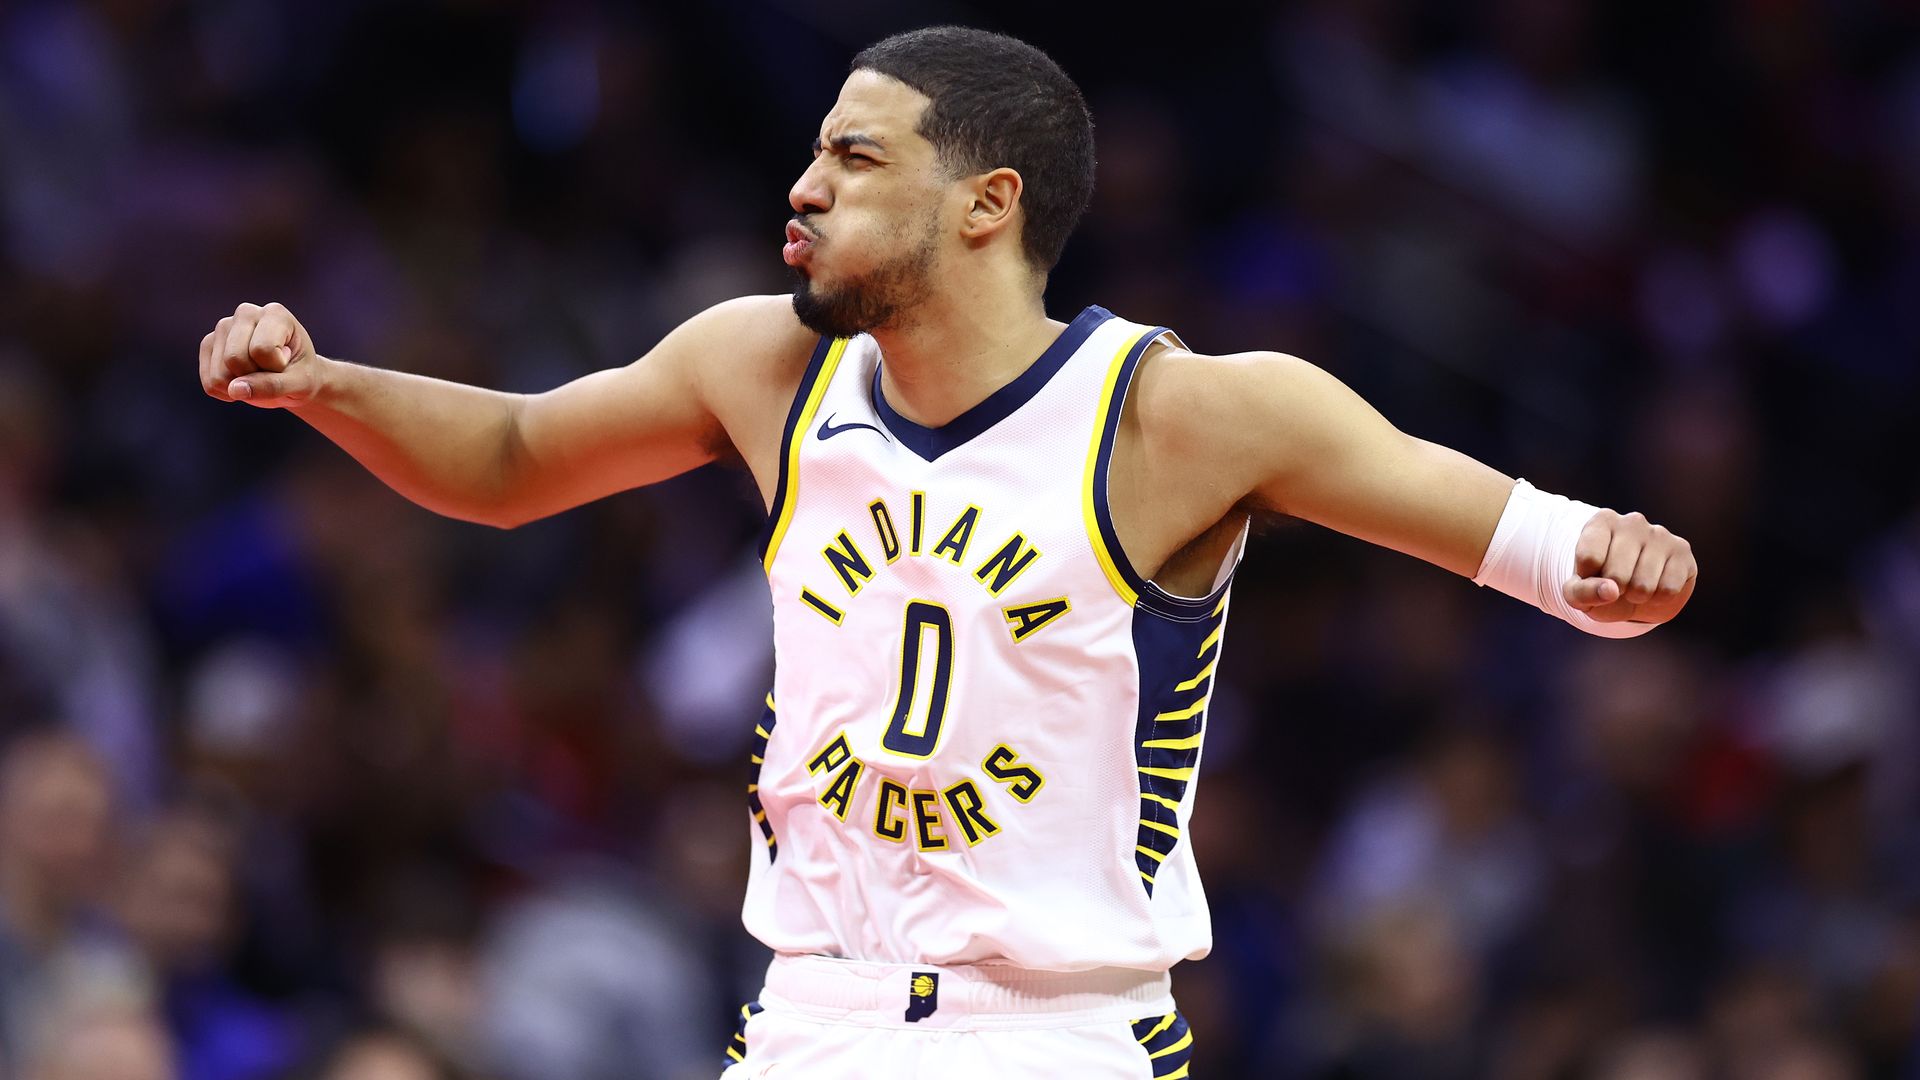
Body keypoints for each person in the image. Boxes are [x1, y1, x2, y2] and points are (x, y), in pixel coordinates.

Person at [196, 25, 1697, 1079]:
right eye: (809, 156)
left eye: (854, 159)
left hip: (1052, 1034)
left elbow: (1525, 540)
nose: (805, 188)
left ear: (989, 203)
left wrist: (1603, 561)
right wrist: (332, 388)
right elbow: (517, 463)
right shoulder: (764, 368)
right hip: (807, 1016)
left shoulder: (1183, 413)